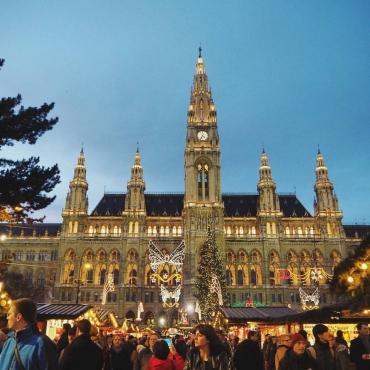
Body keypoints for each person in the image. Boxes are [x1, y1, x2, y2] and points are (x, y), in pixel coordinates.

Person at [0, 298, 47, 370]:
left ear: (18, 317)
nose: (7, 317)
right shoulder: (9, 342)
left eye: (9, 314)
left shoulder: (40, 344)